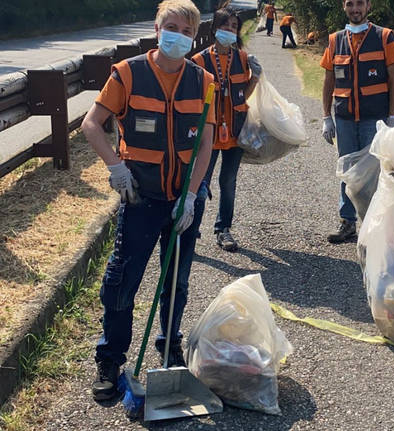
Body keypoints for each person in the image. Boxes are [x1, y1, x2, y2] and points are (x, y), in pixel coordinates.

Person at [82, 0, 216, 400]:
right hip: (140, 198)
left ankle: (169, 344)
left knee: (177, 281)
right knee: (122, 282)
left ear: (194, 36)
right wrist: (115, 168)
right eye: (171, 27)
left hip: (184, 201)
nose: (179, 35)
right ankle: (110, 359)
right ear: (158, 30)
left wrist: (192, 196)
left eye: (187, 30)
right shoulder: (128, 73)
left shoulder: (204, 80)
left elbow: (207, 142)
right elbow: (92, 124)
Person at [320, 0, 394, 243]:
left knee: (372, 174)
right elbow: (328, 82)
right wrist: (326, 116)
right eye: (350, 4)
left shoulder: (386, 37)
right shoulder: (335, 40)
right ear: (344, 7)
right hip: (344, 118)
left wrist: (392, 116)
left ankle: (373, 225)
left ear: (368, 7)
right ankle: (348, 222)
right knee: (347, 171)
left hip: (373, 120)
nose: (355, 9)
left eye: (359, 4)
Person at [191, 7, 262, 252]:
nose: (229, 30)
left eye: (233, 27)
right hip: (208, 135)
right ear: (214, 29)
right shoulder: (199, 61)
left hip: (235, 133)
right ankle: (192, 226)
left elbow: (243, 96)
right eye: (225, 25)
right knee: (200, 180)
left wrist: (254, 78)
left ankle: (224, 230)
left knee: (228, 182)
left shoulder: (242, 59)